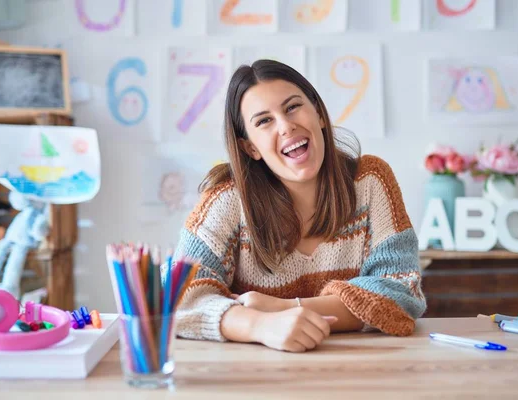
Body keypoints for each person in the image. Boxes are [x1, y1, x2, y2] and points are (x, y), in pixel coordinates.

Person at [172, 59, 426, 353]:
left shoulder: (370, 181)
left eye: (293, 107)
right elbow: (178, 299)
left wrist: (285, 308)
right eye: (264, 121)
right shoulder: (226, 199)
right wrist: (259, 325)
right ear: (250, 147)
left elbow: (402, 292)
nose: (286, 126)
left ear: (318, 113)